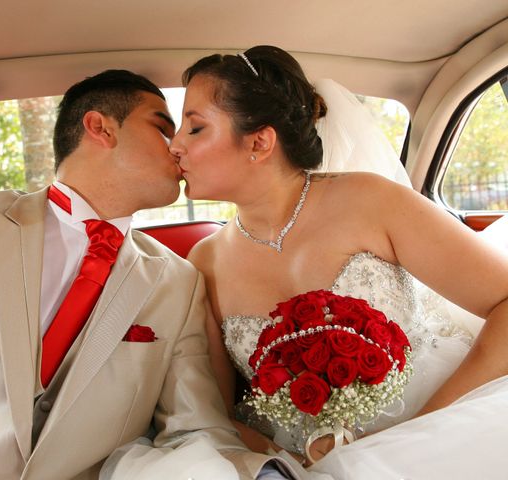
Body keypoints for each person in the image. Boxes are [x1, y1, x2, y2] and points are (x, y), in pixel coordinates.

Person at [0, 70, 295, 479]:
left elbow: (195, 428)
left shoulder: (177, 283)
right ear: (101, 128)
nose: (179, 146)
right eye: (164, 128)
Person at [168, 45, 508, 478]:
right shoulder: (206, 261)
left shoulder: (372, 200)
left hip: (439, 429)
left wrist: (413, 438)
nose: (175, 145)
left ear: (259, 141)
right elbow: (218, 413)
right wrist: (297, 464)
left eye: (194, 128)